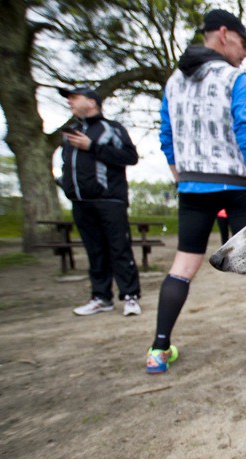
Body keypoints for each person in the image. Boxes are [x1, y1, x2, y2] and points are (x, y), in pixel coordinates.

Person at [149, 8, 246, 373]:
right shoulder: (236, 78)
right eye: (244, 43)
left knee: (183, 265)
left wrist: (181, 178)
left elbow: (166, 137)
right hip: (237, 184)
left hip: (192, 186)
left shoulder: (173, 82)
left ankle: (158, 350)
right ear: (223, 34)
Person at [57, 86, 143, 318]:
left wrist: (92, 147)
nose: (70, 102)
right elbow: (67, 165)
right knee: (94, 251)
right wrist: (65, 185)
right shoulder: (71, 132)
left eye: (74, 98)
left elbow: (130, 157)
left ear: (91, 102)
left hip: (110, 200)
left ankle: (130, 296)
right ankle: (101, 297)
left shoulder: (112, 129)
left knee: (119, 248)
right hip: (80, 201)